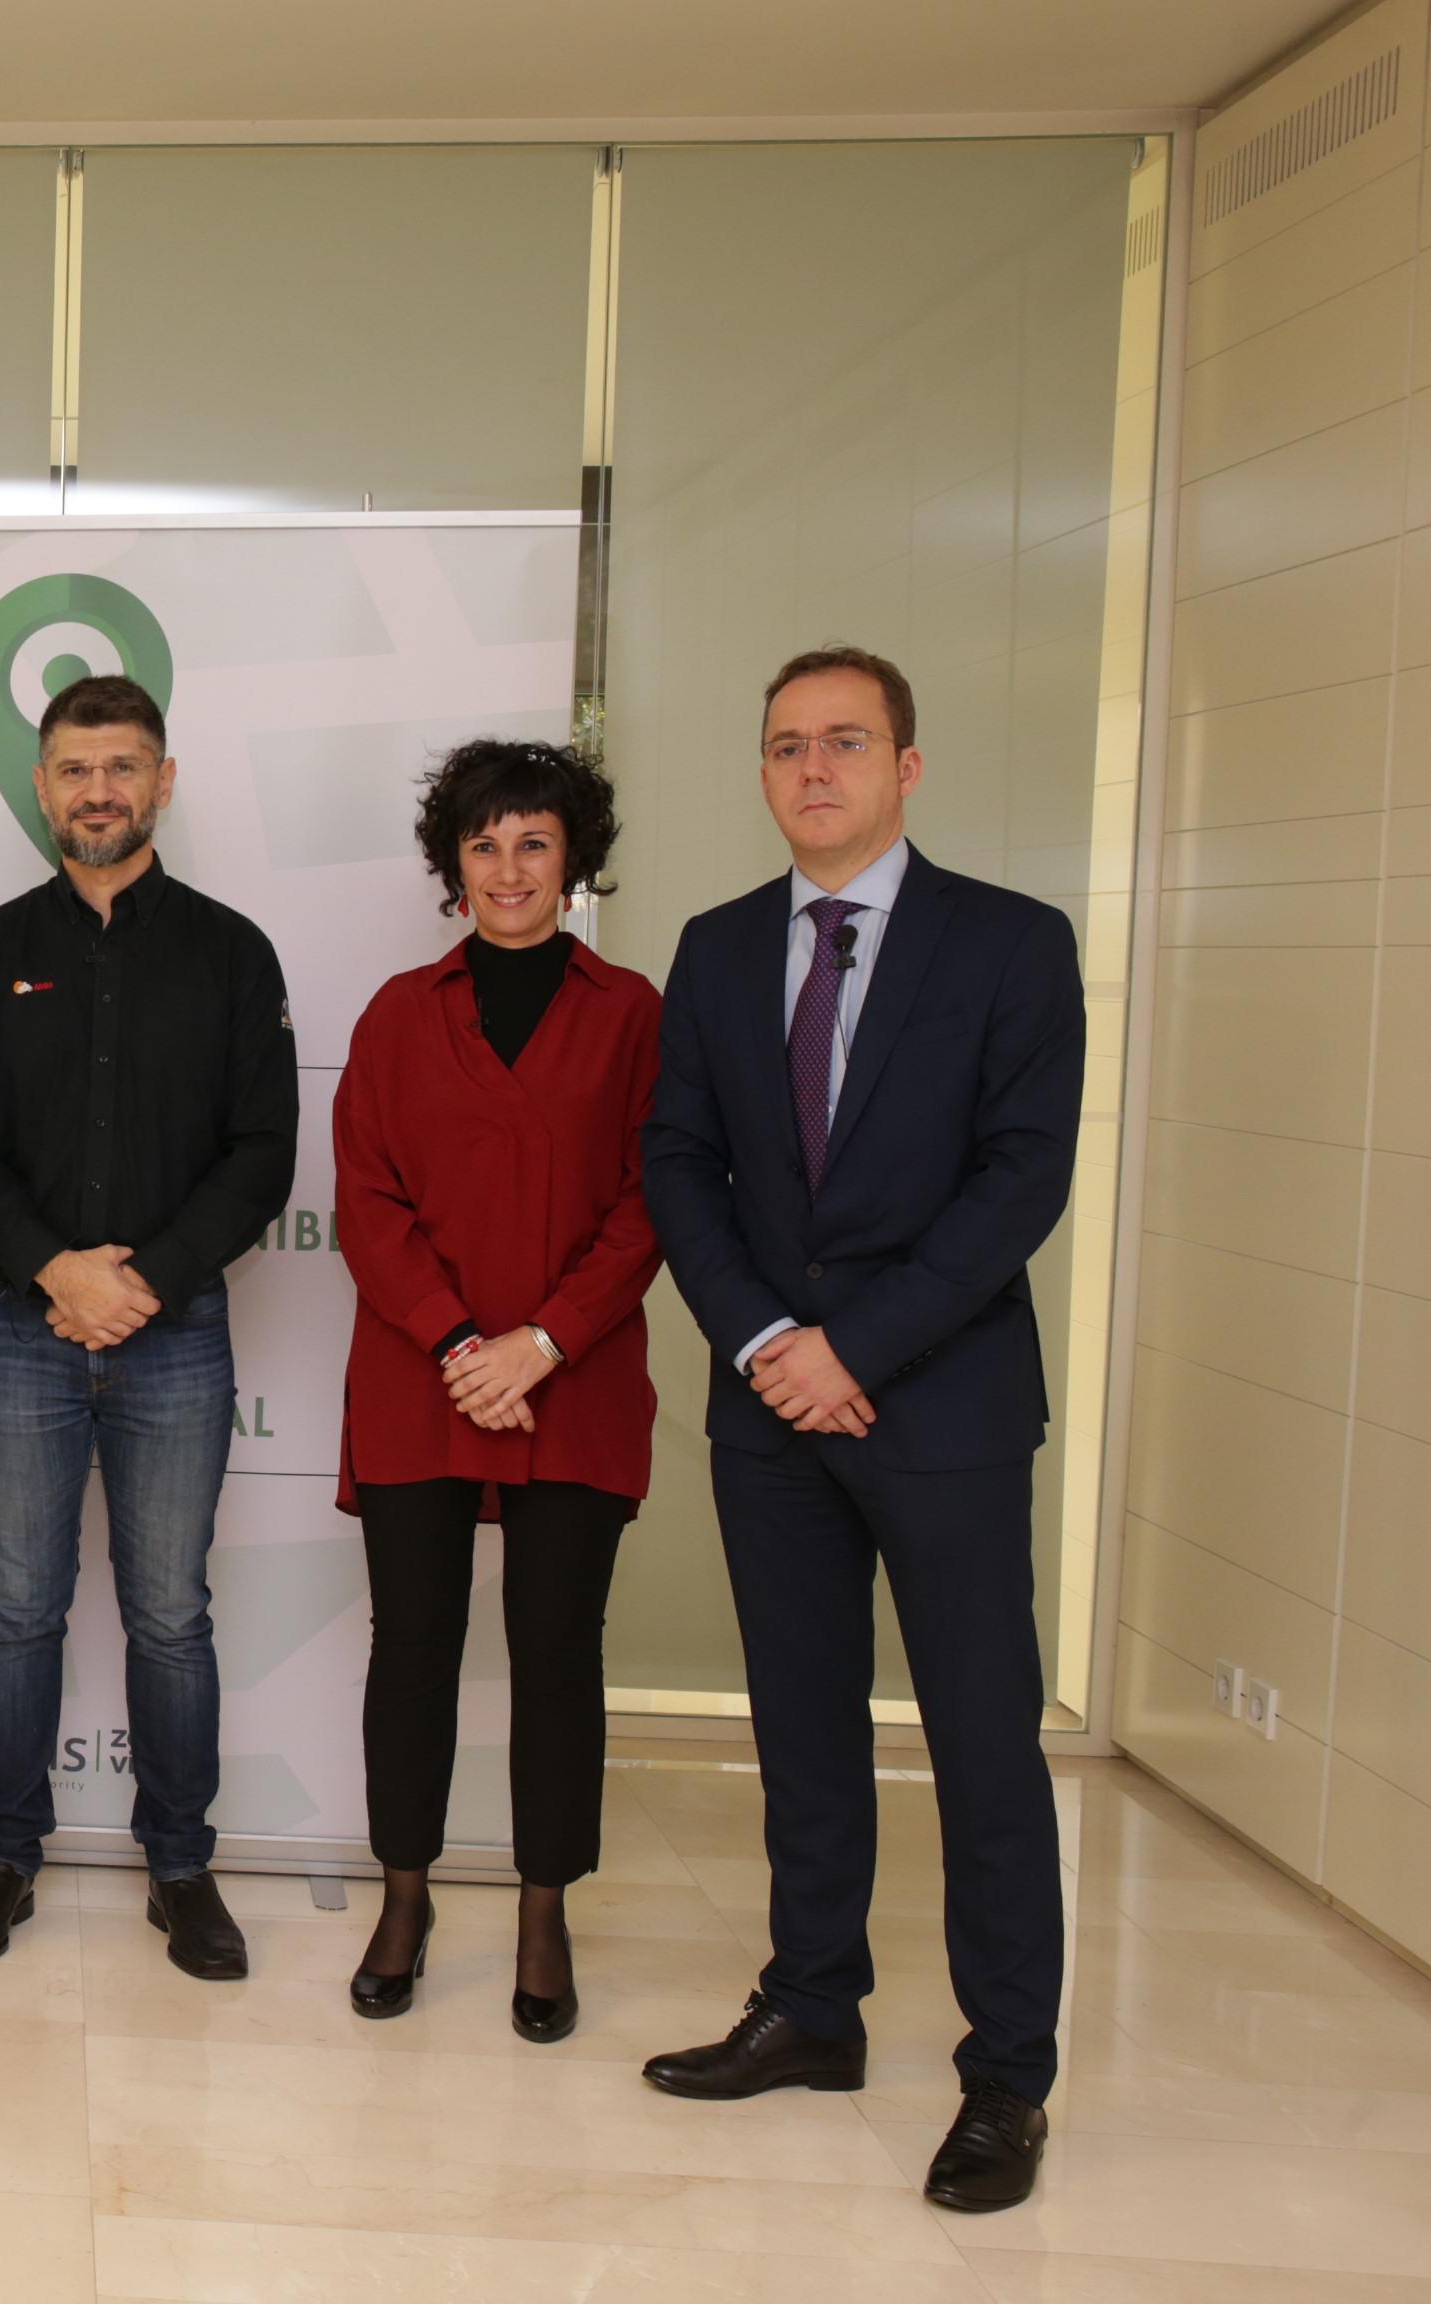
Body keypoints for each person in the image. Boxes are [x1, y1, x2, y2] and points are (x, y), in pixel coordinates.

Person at [638, 645, 1084, 2214]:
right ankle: (815, 2007)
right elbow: (679, 1165)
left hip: (941, 1402)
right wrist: (771, 1341)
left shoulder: (1013, 946)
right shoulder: (713, 949)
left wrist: (855, 1347)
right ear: (762, 775)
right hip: (772, 1411)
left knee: (979, 1746)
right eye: (784, 746)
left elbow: (1020, 1182)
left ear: (908, 767)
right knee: (805, 1731)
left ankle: (1007, 2076)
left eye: (845, 742)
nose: (812, 767)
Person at [0, 674, 296, 1981]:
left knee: (170, 1614)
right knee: (18, 1608)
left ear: (164, 781)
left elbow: (263, 1154)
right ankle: (3, 1856)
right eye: (75, 770)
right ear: (42, 784)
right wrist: (49, 1269)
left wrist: (147, 1281)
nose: (98, 792)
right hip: (21, 1333)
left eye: (123, 768)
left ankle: (180, 1868)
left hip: (174, 1337)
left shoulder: (233, 954)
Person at [331, 737, 661, 2043]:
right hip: (422, 1383)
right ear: (450, 867)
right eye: (484, 845)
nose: (508, 868)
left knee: (556, 1658)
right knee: (411, 1653)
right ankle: (404, 1896)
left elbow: (654, 1201)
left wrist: (546, 1342)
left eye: (534, 842)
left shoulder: (635, 1012)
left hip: (571, 1391)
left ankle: (541, 1908)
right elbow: (367, 1202)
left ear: (574, 859)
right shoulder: (397, 1014)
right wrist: (461, 1341)